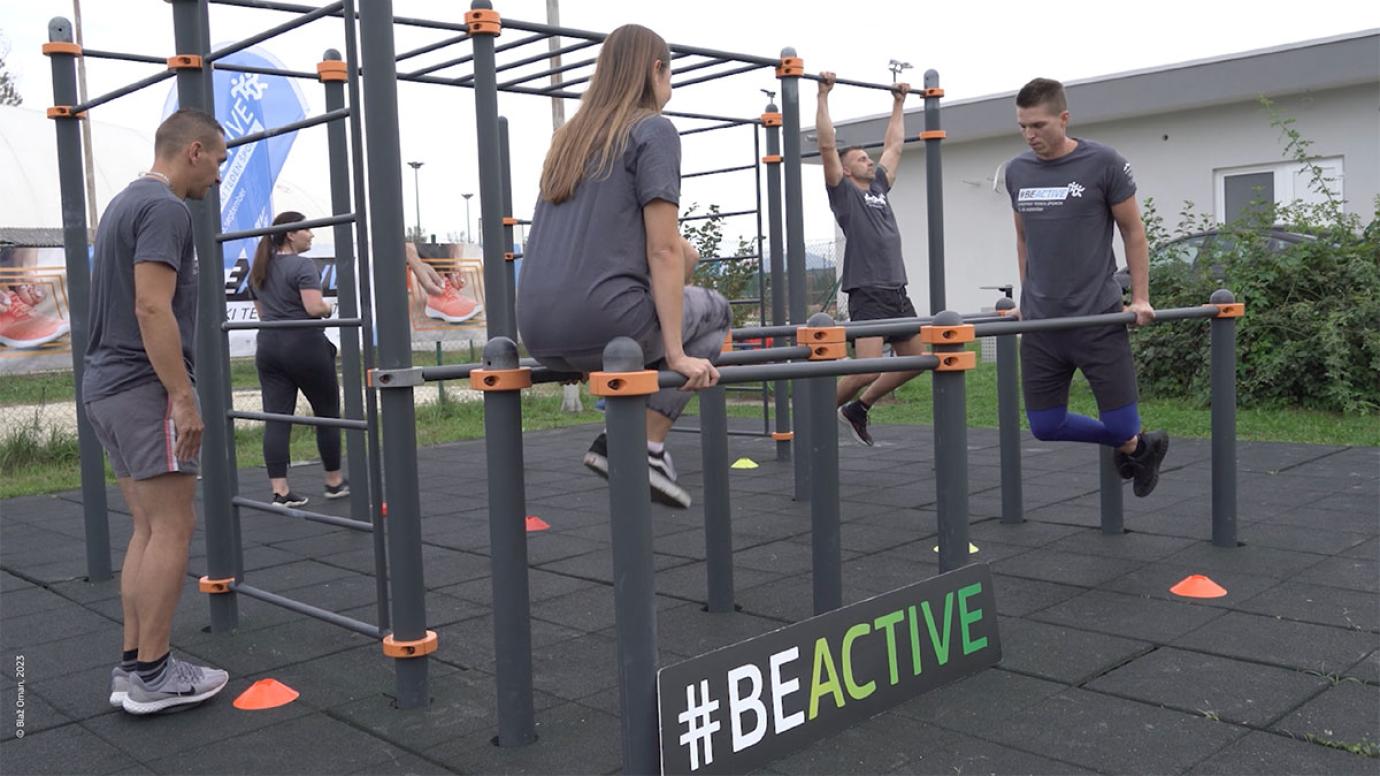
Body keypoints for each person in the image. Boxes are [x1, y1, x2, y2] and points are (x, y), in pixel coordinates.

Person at [517, 23, 730, 509]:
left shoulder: (569, 138)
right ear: (656, 69)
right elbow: (663, 251)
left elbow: (646, 245)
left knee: (669, 294)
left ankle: (621, 432)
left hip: (541, 333)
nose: (670, 86)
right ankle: (643, 446)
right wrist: (676, 354)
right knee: (715, 314)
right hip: (607, 322)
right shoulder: (652, 128)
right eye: (669, 73)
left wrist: (682, 255)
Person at [83, 109, 230, 714]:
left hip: (106, 387)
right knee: (173, 527)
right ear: (193, 150)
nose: (220, 176)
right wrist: (182, 394)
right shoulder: (167, 208)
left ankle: (133, 668)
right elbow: (151, 307)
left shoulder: (122, 202)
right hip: (143, 387)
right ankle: (156, 674)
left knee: (147, 529)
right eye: (219, 160)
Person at [1004, 77, 1169, 497]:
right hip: (1042, 326)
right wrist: (1026, 299)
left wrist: (1141, 297)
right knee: (1044, 426)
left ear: (1064, 118)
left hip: (1097, 317)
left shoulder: (1104, 162)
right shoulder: (1018, 171)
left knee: (1119, 424)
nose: (1029, 135)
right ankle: (1139, 448)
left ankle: (1130, 439)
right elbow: (1024, 239)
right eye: (1023, 126)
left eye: (1038, 125)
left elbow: (1133, 232)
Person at [816, 71, 925, 446]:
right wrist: (823, 95)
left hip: (896, 288)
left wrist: (898, 103)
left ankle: (858, 408)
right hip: (868, 290)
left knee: (914, 359)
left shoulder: (878, 185)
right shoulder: (843, 192)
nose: (869, 161)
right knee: (865, 369)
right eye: (862, 159)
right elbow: (828, 147)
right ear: (846, 169)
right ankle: (814, 416)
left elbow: (894, 146)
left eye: (868, 158)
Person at [247, 211, 348, 507]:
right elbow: (314, 307)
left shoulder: (258, 270)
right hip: (304, 345)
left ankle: (280, 490)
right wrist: (328, 308)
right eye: (307, 230)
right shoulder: (302, 266)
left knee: (277, 418)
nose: (312, 234)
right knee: (327, 413)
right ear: (291, 234)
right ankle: (333, 481)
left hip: (269, 347)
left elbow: (263, 315)